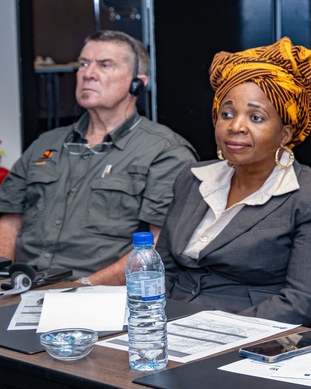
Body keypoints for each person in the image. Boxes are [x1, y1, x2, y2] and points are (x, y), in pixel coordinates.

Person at [158, 37, 311, 328]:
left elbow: (303, 301)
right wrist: (148, 320)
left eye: (256, 117)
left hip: (258, 335)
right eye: (227, 114)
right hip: (170, 324)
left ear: (285, 134)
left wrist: (213, 331)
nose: (236, 126)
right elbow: (162, 269)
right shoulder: (193, 178)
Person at [0, 30, 197, 284]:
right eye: (83, 64)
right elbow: (10, 222)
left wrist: (82, 287)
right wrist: (4, 283)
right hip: (22, 288)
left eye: (105, 65)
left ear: (137, 83)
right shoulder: (45, 144)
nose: (88, 73)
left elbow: (158, 246)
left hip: (100, 293)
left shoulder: (165, 151)